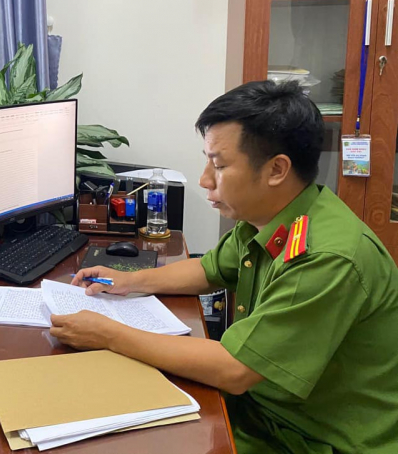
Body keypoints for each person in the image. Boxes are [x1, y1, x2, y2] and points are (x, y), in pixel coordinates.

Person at [56, 81, 398, 454]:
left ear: (277, 169)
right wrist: (131, 280)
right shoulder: (270, 218)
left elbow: (235, 369)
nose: (205, 179)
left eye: (218, 165)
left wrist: (108, 334)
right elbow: (208, 270)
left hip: (312, 439)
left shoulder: (327, 257)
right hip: (262, 411)